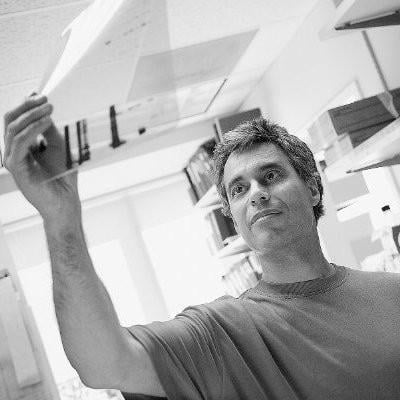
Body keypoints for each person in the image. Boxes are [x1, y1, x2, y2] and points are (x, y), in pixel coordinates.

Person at [3, 95, 400, 400]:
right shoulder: (224, 334)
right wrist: (61, 219)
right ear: (234, 218)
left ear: (312, 188)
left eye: (271, 176)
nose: (256, 194)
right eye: (239, 189)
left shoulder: (392, 292)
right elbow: (105, 363)